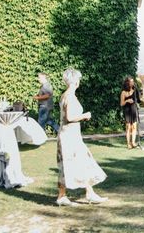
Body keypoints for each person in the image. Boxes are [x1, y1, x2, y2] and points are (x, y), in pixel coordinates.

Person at [56, 68, 107, 206]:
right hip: (70, 136)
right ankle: (86, 194)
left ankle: (68, 195)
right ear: (75, 81)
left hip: (68, 134)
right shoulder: (70, 96)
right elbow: (70, 117)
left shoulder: (65, 95)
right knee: (80, 162)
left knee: (71, 163)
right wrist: (85, 116)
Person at [120, 76, 141, 149]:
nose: (132, 82)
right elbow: (121, 103)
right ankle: (128, 143)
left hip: (134, 109)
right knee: (128, 127)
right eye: (131, 81)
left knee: (134, 126)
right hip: (127, 110)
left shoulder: (135, 90)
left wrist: (138, 92)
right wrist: (127, 101)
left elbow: (138, 100)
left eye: (133, 81)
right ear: (127, 83)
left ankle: (133, 142)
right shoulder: (123, 92)